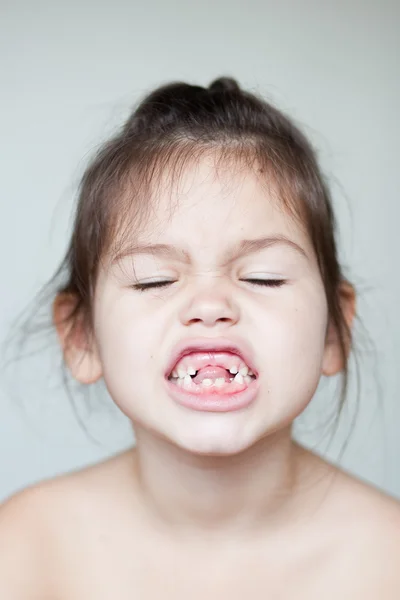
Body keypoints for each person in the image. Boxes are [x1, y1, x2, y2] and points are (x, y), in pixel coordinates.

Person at [0, 76, 399, 599]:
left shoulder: (387, 559)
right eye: (153, 280)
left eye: (264, 277)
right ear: (82, 338)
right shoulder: (26, 545)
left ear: (333, 332)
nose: (210, 307)